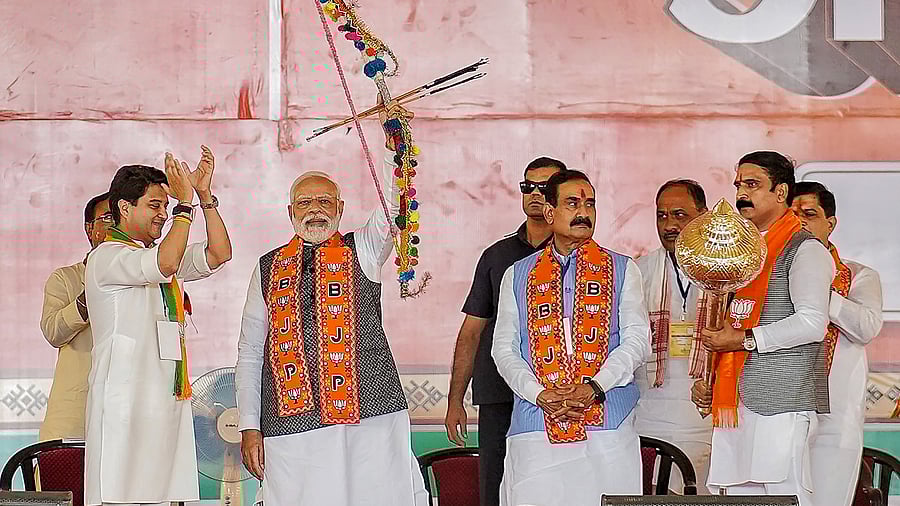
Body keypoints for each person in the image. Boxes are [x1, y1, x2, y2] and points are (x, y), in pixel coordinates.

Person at [235, 101, 428, 506]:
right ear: (290, 213)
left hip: (370, 416)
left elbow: (396, 206)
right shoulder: (267, 267)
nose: (316, 209)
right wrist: (249, 426)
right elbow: (251, 351)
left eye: (325, 201)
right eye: (305, 203)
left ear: (340, 209)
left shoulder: (365, 249)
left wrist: (398, 145)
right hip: (292, 420)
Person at [491, 169, 650, 506]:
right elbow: (503, 349)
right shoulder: (518, 274)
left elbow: (637, 341)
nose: (584, 213)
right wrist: (539, 394)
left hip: (607, 425)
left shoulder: (622, 268)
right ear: (550, 213)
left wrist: (594, 387)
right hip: (536, 425)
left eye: (590, 204)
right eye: (573, 203)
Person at [84, 146, 232, 506]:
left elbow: (219, 253)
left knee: (161, 497)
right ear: (124, 207)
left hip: (162, 402)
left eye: (166, 207)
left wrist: (204, 197)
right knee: (120, 496)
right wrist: (184, 208)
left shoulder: (156, 256)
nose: (163, 215)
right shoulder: (107, 256)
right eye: (155, 205)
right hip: (125, 402)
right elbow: (165, 263)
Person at [691, 151, 834, 506]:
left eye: (753, 184)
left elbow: (813, 323)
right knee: (736, 497)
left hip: (781, 403)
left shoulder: (806, 250)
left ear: (781, 192)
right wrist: (711, 381)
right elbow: (734, 321)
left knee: (784, 496)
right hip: (736, 403)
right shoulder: (743, 252)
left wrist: (744, 340)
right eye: (739, 184)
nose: (742, 193)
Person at [444, 156, 565, 506]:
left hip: (559, 397)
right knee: (496, 491)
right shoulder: (497, 256)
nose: (535, 194)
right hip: (500, 397)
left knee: (551, 490)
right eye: (528, 186)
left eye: (546, 187)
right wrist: (455, 400)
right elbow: (471, 332)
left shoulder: (581, 256)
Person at [792, 181, 883, 506]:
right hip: (785, 409)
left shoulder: (858, 276)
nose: (799, 221)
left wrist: (816, 292)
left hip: (836, 416)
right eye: (792, 214)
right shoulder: (772, 276)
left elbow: (866, 327)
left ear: (830, 223)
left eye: (809, 214)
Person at [634, 179, 711, 493]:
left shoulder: (729, 273)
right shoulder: (637, 272)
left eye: (679, 215)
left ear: (704, 216)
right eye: (662, 216)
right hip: (650, 417)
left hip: (707, 419)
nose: (669, 225)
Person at [39, 193, 111, 441]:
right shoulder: (65, 279)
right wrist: (93, 288)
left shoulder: (143, 278)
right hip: (76, 413)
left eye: (121, 219)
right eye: (108, 217)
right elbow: (53, 331)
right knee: (64, 479)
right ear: (89, 229)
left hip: (127, 412)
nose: (115, 227)